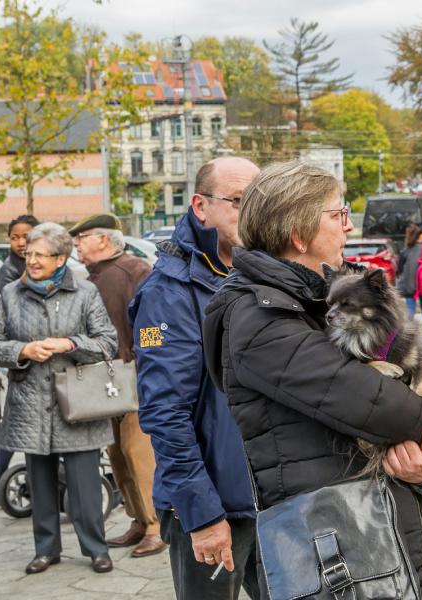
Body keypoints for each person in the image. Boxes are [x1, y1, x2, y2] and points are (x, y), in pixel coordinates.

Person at [201, 160, 422, 600]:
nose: (348, 227)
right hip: (343, 558)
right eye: (338, 215)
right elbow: (385, 408)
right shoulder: (260, 318)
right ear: (298, 233)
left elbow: (405, 405)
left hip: (387, 537)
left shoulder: (316, 297)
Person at [129, 157, 262, 600]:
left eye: (259, 200)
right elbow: (165, 413)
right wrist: (203, 516)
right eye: (241, 201)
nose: (253, 211)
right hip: (212, 504)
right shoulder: (167, 291)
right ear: (200, 206)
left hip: (272, 492)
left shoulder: (258, 273)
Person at [0, 223, 118, 574]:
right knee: (41, 483)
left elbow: (107, 342)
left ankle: (96, 547)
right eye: (28, 254)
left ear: (61, 258)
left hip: (77, 402)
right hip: (29, 402)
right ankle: (45, 549)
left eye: (39, 255)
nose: (30, 260)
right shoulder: (10, 294)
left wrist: (71, 344)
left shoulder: (86, 292)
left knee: (85, 486)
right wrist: (22, 350)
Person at [69, 213, 165, 558]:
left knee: (138, 454)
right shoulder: (90, 277)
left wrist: (145, 361)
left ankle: (156, 526)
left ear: (103, 240)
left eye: (82, 238)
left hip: (133, 379)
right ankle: (138, 519)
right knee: (117, 455)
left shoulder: (134, 270)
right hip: (102, 381)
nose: (76, 245)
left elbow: (155, 324)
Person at [0, 214, 39, 482]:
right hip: (22, 354)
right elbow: (15, 308)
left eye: (26, 236)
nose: (21, 243)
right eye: (15, 237)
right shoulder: (10, 270)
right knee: (15, 425)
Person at [396, 223, 422, 335]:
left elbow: (400, 269)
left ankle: (410, 333)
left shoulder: (405, 250)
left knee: (410, 310)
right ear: (419, 236)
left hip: (409, 286)